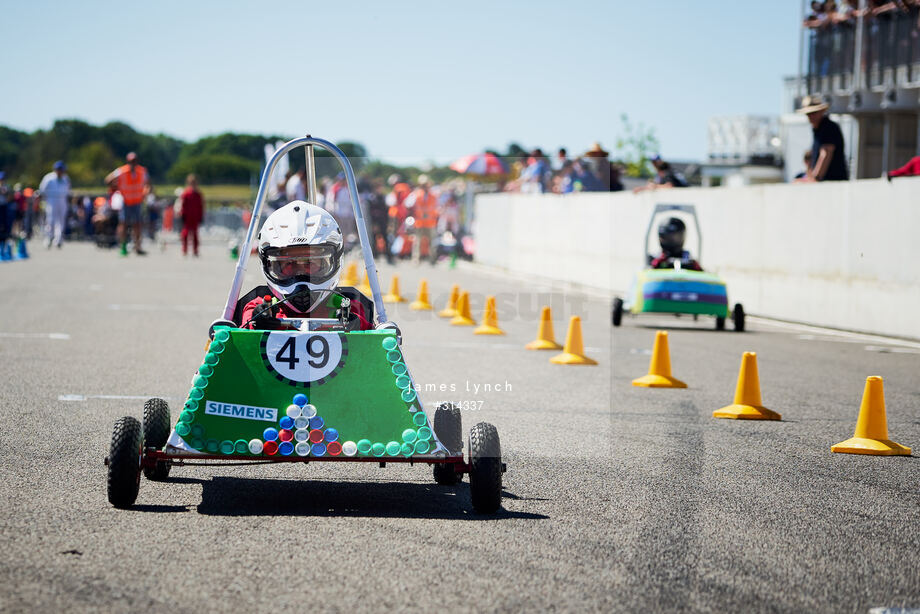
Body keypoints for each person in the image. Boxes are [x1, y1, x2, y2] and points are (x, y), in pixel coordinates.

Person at [227, 201, 374, 331]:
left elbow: (373, 341)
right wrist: (257, 322)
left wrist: (356, 326)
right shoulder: (259, 306)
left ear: (335, 260)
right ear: (267, 264)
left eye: (310, 263)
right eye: (289, 264)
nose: (301, 276)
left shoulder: (348, 306)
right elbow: (244, 327)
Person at [105, 152, 151, 255]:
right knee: (123, 225)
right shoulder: (121, 171)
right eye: (131, 161)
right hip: (126, 201)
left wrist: (145, 192)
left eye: (134, 161)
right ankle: (123, 247)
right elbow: (108, 179)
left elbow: (148, 184)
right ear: (127, 161)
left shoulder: (142, 171)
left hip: (137, 201)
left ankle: (137, 247)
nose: (133, 163)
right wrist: (116, 187)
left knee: (137, 225)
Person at [797, 94, 849, 182]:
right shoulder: (817, 129)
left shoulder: (828, 127)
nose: (810, 116)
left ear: (821, 112)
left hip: (832, 182)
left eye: (813, 113)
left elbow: (825, 153)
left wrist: (816, 178)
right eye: (808, 114)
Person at [405, 174, 439, 265]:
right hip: (419, 222)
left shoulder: (433, 195)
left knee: (432, 242)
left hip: (430, 222)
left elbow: (437, 207)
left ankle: (433, 259)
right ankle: (416, 258)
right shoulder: (416, 194)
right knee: (417, 242)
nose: (425, 186)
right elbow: (408, 204)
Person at [37, 161, 71, 249]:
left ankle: (58, 239)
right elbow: (42, 189)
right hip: (52, 199)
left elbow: (68, 190)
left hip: (62, 200)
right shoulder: (48, 178)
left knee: (61, 220)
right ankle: (49, 238)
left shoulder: (66, 178)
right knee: (50, 219)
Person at [177, 174, 205, 256]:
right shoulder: (186, 194)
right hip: (187, 216)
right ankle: (185, 249)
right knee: (185, 233)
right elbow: (183, 205)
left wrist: (201, 216)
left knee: (195, 234)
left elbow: (201, 206)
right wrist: (182, 214)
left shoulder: (198, 194)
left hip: (195, 216)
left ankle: (195, 250)